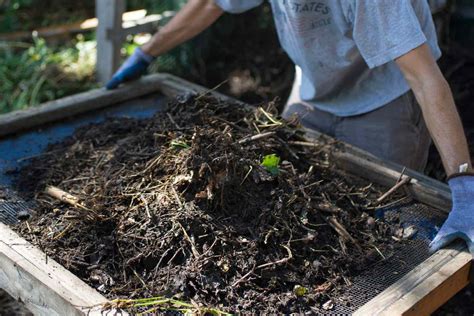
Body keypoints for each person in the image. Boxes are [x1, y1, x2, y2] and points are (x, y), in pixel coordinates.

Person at [105, 0, 473, 255]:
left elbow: (425, 79)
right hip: (314, 92)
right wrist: (148, 52)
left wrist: (463, 181)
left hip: (382, 99)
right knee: (286, 197)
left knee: (383, 226)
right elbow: (212, 3)